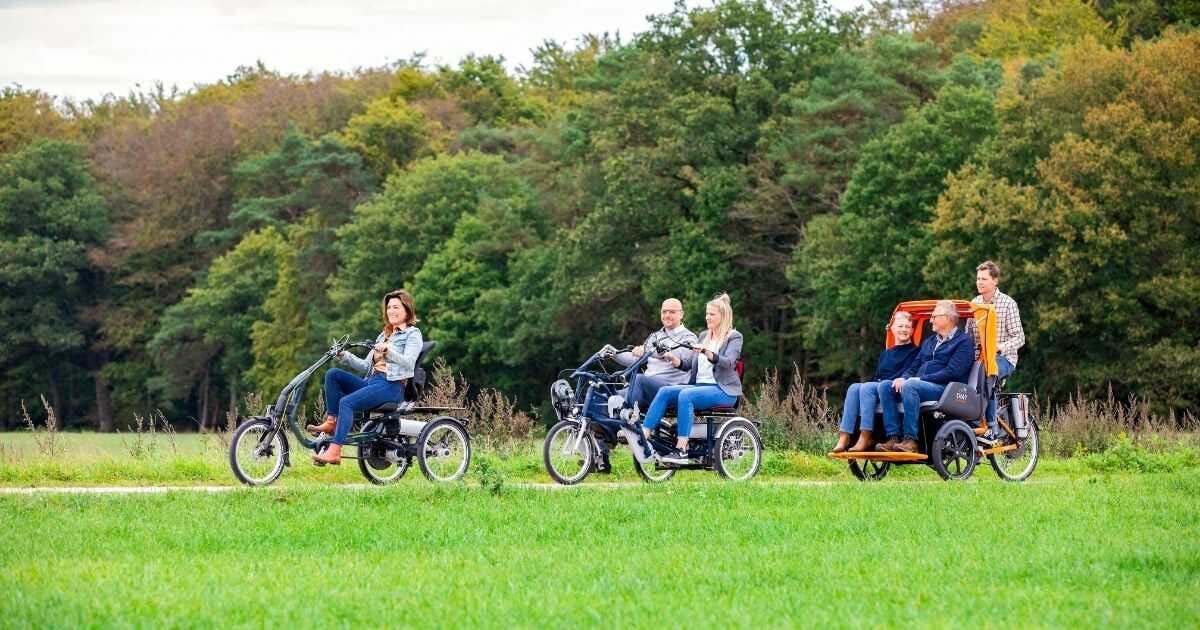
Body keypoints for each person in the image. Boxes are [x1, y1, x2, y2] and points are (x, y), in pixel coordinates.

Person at [306, 290, 423, 466]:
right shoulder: (383, 335)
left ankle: (335, 451)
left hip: (391, 386)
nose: (391, 311)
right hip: (373, 382)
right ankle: (331, 422)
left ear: (407, 310)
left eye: (396, 307)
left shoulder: (412, 334)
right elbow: (367, 366)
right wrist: (344, 356)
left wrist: (388, 352)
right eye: (389, 307)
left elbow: (409, 363)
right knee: (333, 375)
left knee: (346, 402)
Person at [638, 294, 742, 464]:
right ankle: (643, 435)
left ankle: (681, 449)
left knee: (686, 396)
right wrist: (674, 359)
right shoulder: (703, 337)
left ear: (723, 317)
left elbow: (729, 363)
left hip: (723, 390)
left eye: (712, 314)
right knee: (665, 391)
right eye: (707, 314)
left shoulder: (734, 337)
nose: (707, 317)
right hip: (700, 386)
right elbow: (688, 365)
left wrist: (707, 352)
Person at [876, 300, 974, 453]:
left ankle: (911, 440)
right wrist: (904, 377)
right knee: (885, 386)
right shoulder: (929, 341)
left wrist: (920, 380)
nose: (931, 320)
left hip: (948, 388)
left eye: (934, 316)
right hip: (922, 385)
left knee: (910, 386)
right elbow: (915, 366)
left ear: (947, 318)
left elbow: (953, 372)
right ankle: (893, 437)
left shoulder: (964, 342)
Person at [832, 311, 919, 453]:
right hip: (879, 386)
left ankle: (866, 435)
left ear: (912, 330)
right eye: (900, 326)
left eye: (907, 327)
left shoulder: (915, 352)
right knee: (854, 387)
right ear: (891, 328)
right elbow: (877, 376)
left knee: (866, 387)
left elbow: (909, 373)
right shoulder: (886, 353)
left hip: (895, 388)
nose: (904, 329)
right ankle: (845, 435)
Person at [967, 260, 1025, 435]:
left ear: (995, 281)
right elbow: (968, 335)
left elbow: (1020, 338)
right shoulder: (974, 303)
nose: (979, 282)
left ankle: (989, 426)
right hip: (979, 357)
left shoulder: (1008, 303)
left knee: (986, 372)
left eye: (984, 279)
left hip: (1004, 358)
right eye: (978, 279)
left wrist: (999, 347)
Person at [613, 298, 698, 410]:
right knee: (608, 395)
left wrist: (647, 352)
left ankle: (627, 418)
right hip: (647, 387)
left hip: (671, 388)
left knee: (638, 379)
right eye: (664, 312)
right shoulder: (655, 336)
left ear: (681, 314)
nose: (667, 315)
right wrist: (614, 354)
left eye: (672, 312)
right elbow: (635, 360)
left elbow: (677, 357)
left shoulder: (689, 337)